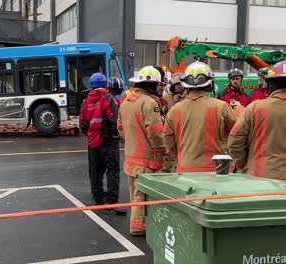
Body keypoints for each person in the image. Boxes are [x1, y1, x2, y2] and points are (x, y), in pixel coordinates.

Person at [118, 66, 166, 235]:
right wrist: (163, 151)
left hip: (131, 158)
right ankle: (138, 228)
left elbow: (120, 128)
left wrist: (133, 140)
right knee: (141, 195)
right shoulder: (150, 103)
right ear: (151, 85)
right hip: (145, 160)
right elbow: (155, 134)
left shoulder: (127, 102)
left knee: (134, 193)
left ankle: (137, 223)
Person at [164, 62, 237, 173]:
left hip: (184, 168)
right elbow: (236, 134)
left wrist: (180, 155)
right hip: (214, 170)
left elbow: (168, 139)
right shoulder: (221, 107)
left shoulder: (175, 109)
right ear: (210, 82)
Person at [228, 61, 286, 180]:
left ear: (271, 84)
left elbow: (235, 139)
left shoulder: (255, 108)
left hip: (259, 177)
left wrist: (241, 164)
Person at [79, 73, 126, 215]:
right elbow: (114, 119)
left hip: (92, 143)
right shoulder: (108, 98)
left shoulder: (86, 101)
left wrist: (91, 135)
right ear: (105, 84)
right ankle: (111, 201)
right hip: (107, 142)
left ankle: (98, 199)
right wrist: (115, 135)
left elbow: (82, 124)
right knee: (112, 170)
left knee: (95, 171)